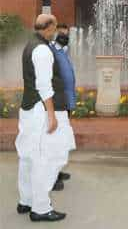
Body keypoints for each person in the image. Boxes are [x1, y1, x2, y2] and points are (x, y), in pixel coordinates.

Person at [15, 14, 75, 222]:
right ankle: (40, 208)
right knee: (44, 158)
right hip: (40, 111)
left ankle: (26, 200)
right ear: (48, 27)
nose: (57, 31)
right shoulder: (41, 50)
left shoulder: (31, 45)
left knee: (28, 156)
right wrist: (52, 114)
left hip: (29, 109)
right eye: (55, 27)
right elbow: (44, 86)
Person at [49, 23, 76, 191]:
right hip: (57, 101)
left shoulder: (63, 51)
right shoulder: (51, 51)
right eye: (61, 34)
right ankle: (51, 177)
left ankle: (57, 171)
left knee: (61, 137)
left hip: (65, 100)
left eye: (66, 35)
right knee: (54, 139)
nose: (64, 37)